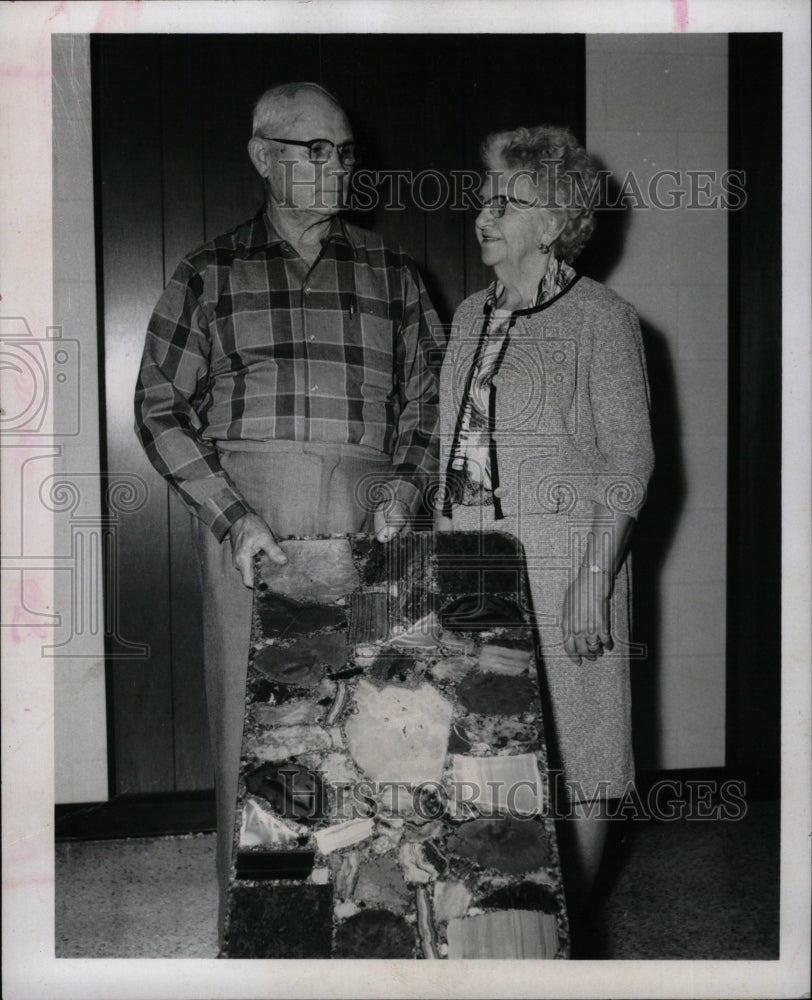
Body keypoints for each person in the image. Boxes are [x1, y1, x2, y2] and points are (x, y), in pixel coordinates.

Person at [134, 81, 441, 942]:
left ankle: (371, 915)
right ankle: (262, 925)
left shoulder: (393, 274)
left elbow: (431, 400)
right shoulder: (208, 272)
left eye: (344, 150)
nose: (337, 165)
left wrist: (406, 488)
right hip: (255, 514)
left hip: (372, 506)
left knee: (373, 711)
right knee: (257, 721)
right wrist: (233, 516)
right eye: (317, 150)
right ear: (264, 157)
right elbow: (160, 403)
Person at [436, 125, 654, 955]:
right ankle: (504, 932)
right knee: (491, 744)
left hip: (571, 562)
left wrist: (595, 577)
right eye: (484, 196)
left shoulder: (603, 318)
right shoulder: (468, 316)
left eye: (507, 200)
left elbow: (630, 457)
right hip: (476, 563)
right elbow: (452, 447)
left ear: (555, 220)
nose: (485, 212)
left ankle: (567, 941)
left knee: (584, 755)